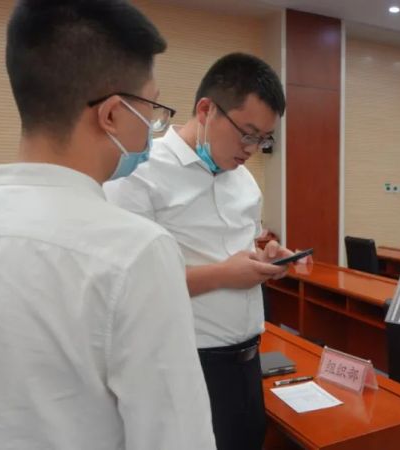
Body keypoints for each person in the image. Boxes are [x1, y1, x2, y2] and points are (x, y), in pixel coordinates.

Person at [0, 2, 216, 449]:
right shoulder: (136, 252)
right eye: (152, 109)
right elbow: (176, 437)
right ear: (112, 114)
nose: (154, 127)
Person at [104, 52, 297, 450]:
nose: (252, 148)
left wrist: (266, 257)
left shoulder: (244, 181)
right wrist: (225, 275)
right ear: (207, 110)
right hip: (183, 366)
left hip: (247, 363)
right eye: (247, 133)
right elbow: (127, 288)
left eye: (264, 139)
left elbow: (245, 248)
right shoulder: (141, 174)